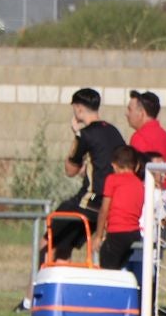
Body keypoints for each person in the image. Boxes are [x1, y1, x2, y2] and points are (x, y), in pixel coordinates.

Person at [43, 88, 126, 265]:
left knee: (46, 241)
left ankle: (35, 290)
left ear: (79, 108)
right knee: (64, 246)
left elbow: (70, 170)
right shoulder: (114, 132)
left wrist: (76, 135)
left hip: (87, 201)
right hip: (109, 203)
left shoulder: (84, 134)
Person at [95, 146, 146, 274]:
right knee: (121, 270)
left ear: (115, 165)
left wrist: (98, 236)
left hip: (117, 233)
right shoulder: (139, 183)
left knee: (107, 272)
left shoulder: (113, 179)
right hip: (134, 233)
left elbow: (104, 209)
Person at [126, 90, 166, 206]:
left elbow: (135, 175)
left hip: (146, 203)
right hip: (164, 202)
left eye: (130, 110)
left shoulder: (139, 137)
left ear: (141, 113)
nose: (127, 114)